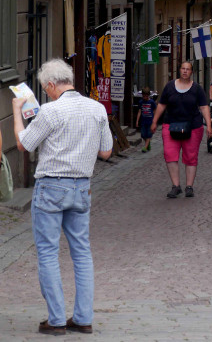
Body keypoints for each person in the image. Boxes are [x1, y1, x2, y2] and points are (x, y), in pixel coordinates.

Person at [12, 59, 113, 336]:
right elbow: (106, 151)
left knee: (47, 252)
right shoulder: (96, 109)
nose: (46, 94)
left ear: (52, 85)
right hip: (82, 186)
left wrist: (16, 111)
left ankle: (56, 319)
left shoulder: (50, 111)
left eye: (46, 90)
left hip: (52, 186)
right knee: (81, 252)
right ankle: (83, 318)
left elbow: (23, 144)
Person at [151, 61, 212, 198]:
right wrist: (154, 121)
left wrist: (208, 124)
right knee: (169, 153)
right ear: (179, 70)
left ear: (192, 72)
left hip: (193, 126)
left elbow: (204, 107)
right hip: (171, 124)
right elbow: (161, 105)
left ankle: (189, 186)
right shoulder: (169, 87)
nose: (185, 71)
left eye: (188, 69)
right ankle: (176, 185)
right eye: (183, 69)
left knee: (190, 156)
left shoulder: (197, 89)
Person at [136, 86, 156, 152]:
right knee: (143, 134)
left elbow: (155, 110)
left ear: (148, 96)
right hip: (143, 121)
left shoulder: (151, 102)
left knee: (149, 134)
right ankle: (148, 144)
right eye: (143, 96)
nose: (144, 97)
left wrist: (154, 119)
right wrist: (137, 121)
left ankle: (145, 147)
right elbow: (139, 111)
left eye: (146, 96)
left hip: (150, 121)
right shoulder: (141, 102)